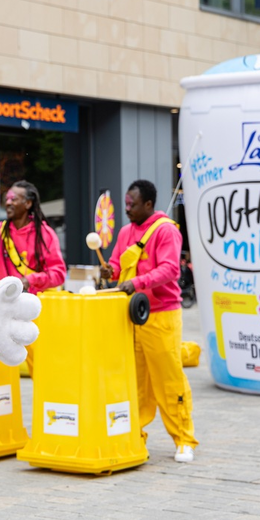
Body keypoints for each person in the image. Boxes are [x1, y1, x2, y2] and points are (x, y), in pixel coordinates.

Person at [100, 179, 198, 463]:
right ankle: (135, 436)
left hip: (161, 314)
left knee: (168, 379)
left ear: (148, 204)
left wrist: (137, 282)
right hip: (131, 315)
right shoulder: (125, 232)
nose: (127, 208)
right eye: (126, 203)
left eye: (132, 204)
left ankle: (184, 438)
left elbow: (169, 269)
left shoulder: (166, 230)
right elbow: (118, 263)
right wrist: (111, 271)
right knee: (136, 382)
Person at [0, 180, 66, 375]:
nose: (8, 202)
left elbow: (58, 274)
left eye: (14, 198)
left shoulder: (45, 233)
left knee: (41, 368)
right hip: (3, 310)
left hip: (35, 313)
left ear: (28, 203)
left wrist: (30, 281)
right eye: (7, 198)